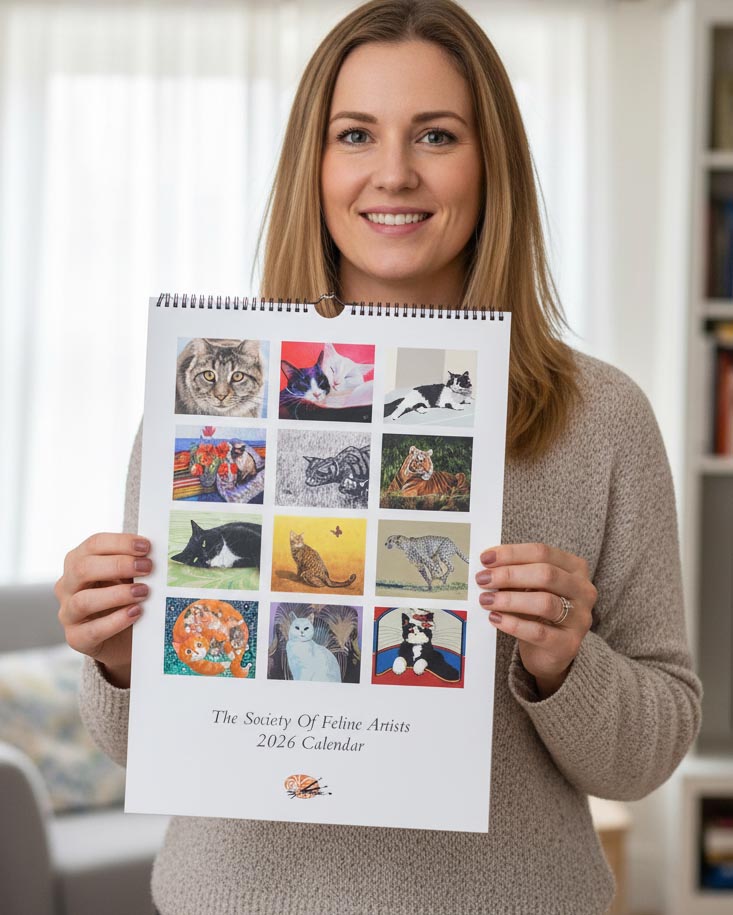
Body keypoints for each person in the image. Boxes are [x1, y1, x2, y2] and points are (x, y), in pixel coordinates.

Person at [55, 1, 702, 913]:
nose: (392, 174)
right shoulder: (214, 393)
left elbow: (650, 750)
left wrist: (566, 660)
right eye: (355, 134)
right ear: (313, 167)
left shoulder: (602, 417)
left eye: (435, 135)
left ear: (491, 166)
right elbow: (133, 739)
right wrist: (121, 655)